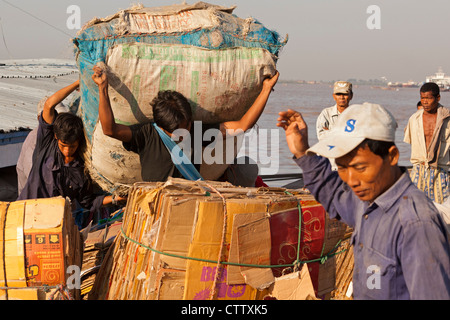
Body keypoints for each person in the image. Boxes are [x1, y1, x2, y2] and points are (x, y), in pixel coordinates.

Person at [277, 103, 450, 300]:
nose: (351, 180)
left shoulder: (415, 223)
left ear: (392, 156)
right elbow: (333, 193)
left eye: (360, 167)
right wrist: (302, 152)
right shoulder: (367, 200)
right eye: (342, 167)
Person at [92, 65, 279, 183]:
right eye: (176, 133)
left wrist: (267, 90)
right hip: (155, 202)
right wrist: (103, 89)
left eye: (186, 128)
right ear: (161, 127)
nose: (183, 135)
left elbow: (242, 125)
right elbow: (109, 129)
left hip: (190, 202)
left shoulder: (198, 132)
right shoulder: (147, 134)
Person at [17, 80, 122, 228]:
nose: (67, 151)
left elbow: (90, 202)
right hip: (25, 215)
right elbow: (49, 105)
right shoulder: (45, 144)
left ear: (79, 142)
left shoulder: (82, 169)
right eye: (63, 145)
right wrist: (78, 82)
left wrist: (116, 198)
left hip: (52, 225)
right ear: (56, 137)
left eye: (72, 146)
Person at [404, 82, 450, 204]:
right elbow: (410, 141)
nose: (425, 102)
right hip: (419, 169)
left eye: (428, 98)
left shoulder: (447, 119)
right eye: (422, 98)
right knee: (415, 209)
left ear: (438, 98)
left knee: (442, 212)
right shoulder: (414, 119)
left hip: (440, 170)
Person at [16, 97, 69, 195]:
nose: (59, 123)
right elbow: (36, 178)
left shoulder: (57, 138)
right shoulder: (34, 140)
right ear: (40, 119)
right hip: (35, 204)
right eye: (55, 118)